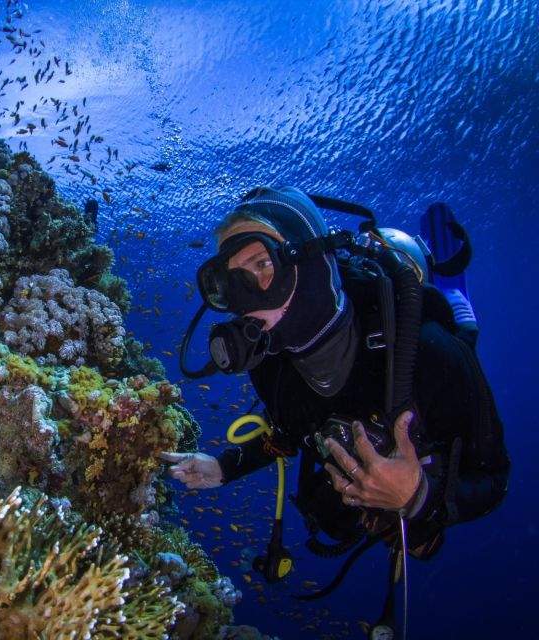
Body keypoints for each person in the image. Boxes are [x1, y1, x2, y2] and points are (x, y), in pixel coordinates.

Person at [159, 185, 510, 567]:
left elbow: (494, 476)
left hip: (427, 347)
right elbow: (291, 431)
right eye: (229, 284)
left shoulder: (430, 351)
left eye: (262, 266)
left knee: (463, 330)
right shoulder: (270, 366)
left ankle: (453, 294)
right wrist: (225, 467)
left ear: (309, 262)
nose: (245, 301)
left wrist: (420, 497)